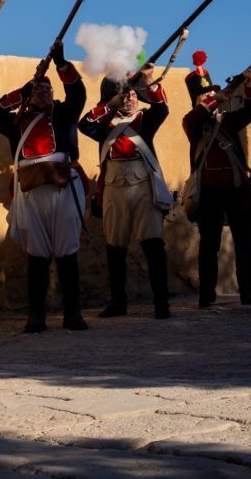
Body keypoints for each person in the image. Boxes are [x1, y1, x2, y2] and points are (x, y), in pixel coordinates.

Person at [0, 41, 88, 333]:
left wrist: (61, 64)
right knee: (37, 254)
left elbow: (78, 92)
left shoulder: (66, 113)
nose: (43, 93)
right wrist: (22, 94)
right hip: (30, 189)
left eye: (46, 89)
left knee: (67, 252)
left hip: (63, 185)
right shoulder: (17, 121)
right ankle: (36, 316)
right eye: (38, 90)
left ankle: (73, 313)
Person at [79, 67, 172, 319]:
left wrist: (149, 79)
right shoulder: (104, 123)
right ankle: (118, 303)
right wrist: (110, 104)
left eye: (133, 94)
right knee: (115, 246)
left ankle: (161, 303)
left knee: (153, 243)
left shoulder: (145, 119)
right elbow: (84, 124)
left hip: (144, 184)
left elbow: (162, 108)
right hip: (113, 186)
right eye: (125, 94)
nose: (131, 98)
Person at [182, 52, 251, 307]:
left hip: (237, 189)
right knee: (209, 245)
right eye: (206, 95)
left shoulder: (228, 121)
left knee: (245, 243)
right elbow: (193, 119)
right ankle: (206, 296)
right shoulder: (194, 123)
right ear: (197, 101)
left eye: (214, 93)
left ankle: (248, 292)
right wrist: (211, 102)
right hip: (208, 191)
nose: (212, 97)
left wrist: (250, 85)